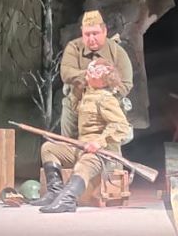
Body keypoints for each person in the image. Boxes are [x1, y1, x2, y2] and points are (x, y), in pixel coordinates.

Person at [31, 58, 131, 213]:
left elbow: (121, 126)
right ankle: (55, 192)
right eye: (91, 69)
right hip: (82, 147)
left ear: (104, 80)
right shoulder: (87, 94)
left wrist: (99, 142)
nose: (90, 71)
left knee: (84, 165)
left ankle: (67, 200)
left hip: (102, 153)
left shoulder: (106, 99)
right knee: (49, 148)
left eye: (96, 71)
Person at [59, 10, 133, 138]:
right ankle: (69, 144)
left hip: (107, 103)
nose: (91, 39)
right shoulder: (74, 47)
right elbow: (66, 73)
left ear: (104, 31)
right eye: (87, 34)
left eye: (95, 33)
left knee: (112, 130)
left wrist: (104, 89)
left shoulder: (117, 52)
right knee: (68, 107)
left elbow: (126, 84)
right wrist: (89, 75)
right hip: (78, 100)